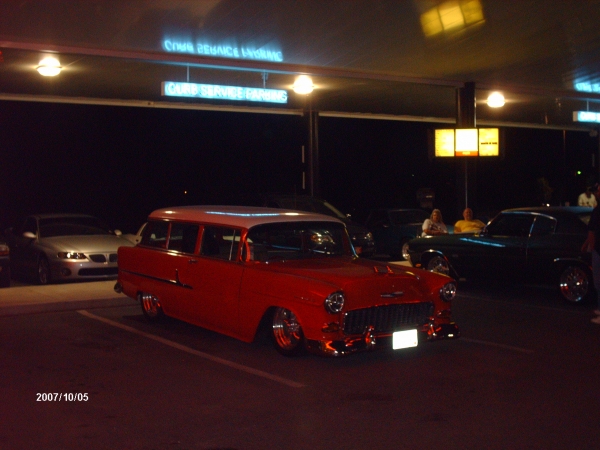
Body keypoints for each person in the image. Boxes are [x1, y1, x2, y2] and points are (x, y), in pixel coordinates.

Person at [581, 183, 600, 324]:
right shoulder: (596, 210)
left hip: (599, 250)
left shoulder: (597, 211)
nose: (597, 193)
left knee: (598, 282)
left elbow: (592, 231)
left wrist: (591, 247)